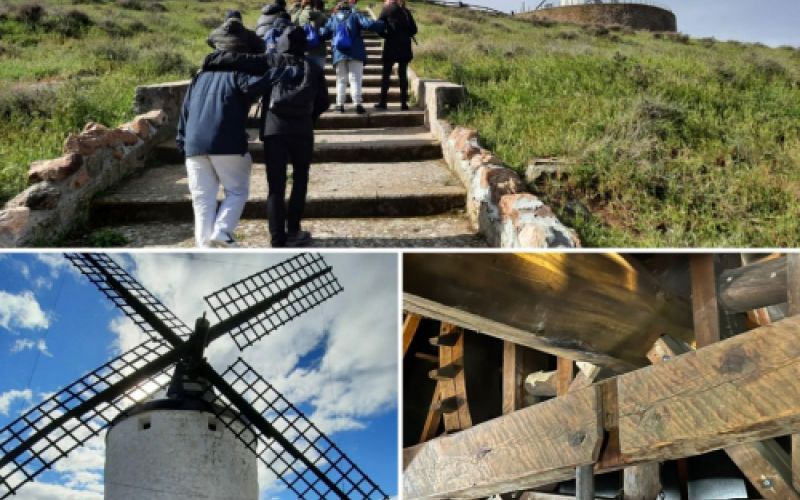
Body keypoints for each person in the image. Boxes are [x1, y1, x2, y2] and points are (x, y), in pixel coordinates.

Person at [202, 27, 330, 248]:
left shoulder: (271, 60)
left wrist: (213, 58)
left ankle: (277, 238)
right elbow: (324, 102)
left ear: (281, 43)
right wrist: (309, 118)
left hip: (274, 130)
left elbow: (238, 60)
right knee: (300, 181)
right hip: (302, 131)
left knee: (275, 187)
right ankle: (294, 231)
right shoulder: (314, 67)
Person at [176, 40, 287, 248]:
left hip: (193, 146)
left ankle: (204, 246)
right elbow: (258, 85)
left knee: (202, 199)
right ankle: (223, 230)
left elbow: (184, 112)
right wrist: (281, 71)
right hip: (227, 144)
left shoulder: (198, 78)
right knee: (237, 191)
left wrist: (181, 142)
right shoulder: (238, 75)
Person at [323, 0, 383, 114]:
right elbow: (369, 24)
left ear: (338, 8)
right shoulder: (355, 15)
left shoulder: (334, 18)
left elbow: (324, 33)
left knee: (341, 80)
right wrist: (382, 23)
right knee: (355, 79)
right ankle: (357, 104)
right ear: (350, 7)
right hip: (355, 52)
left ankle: (339, 105)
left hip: (339, 53)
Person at [375, 0, 416, 110]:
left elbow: (378, 27)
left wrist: (386, 35)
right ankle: (404, 103)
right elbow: (414, 30)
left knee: (386, 74)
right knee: (403, 75)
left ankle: (383, 102)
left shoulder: (387, 9)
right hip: (405, 47)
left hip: (391, 46)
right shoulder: (406, 11)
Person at [292, 0, 328, 69]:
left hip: (303, 51)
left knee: (305, 76)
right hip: (319, 50)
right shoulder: (322, 16)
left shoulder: (298, 16)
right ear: (314, 4)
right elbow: (328, 33)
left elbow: (292, 27)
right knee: (319, 75)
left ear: (303, 4)